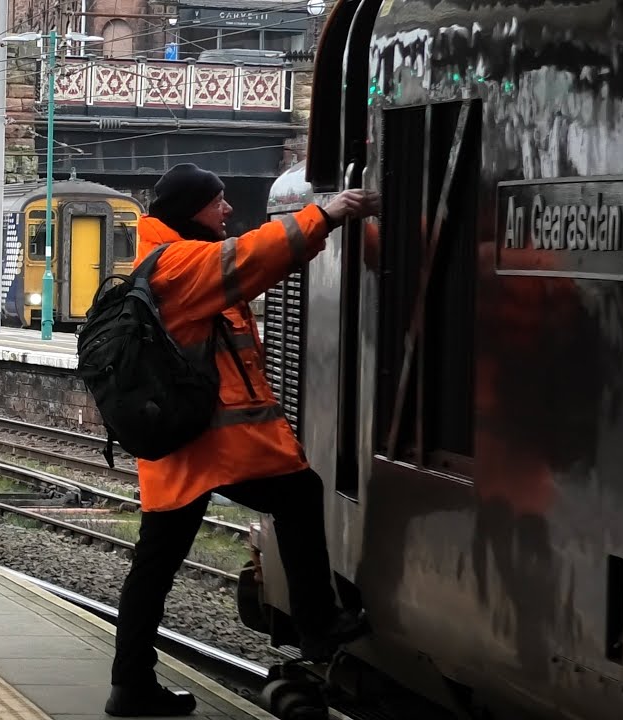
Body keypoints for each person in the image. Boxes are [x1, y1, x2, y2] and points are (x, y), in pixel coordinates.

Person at [105, 163, 380, 717]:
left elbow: (249, 272)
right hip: (206, 446)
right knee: (300, 494)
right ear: (190, 210)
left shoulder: (171, 257)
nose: (228, 210)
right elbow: (250, 256)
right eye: (218, 201)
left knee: (155, 564)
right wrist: (325, 213)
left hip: (188, 446)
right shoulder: (179, 262)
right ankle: (319, 625)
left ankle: (129, 686)